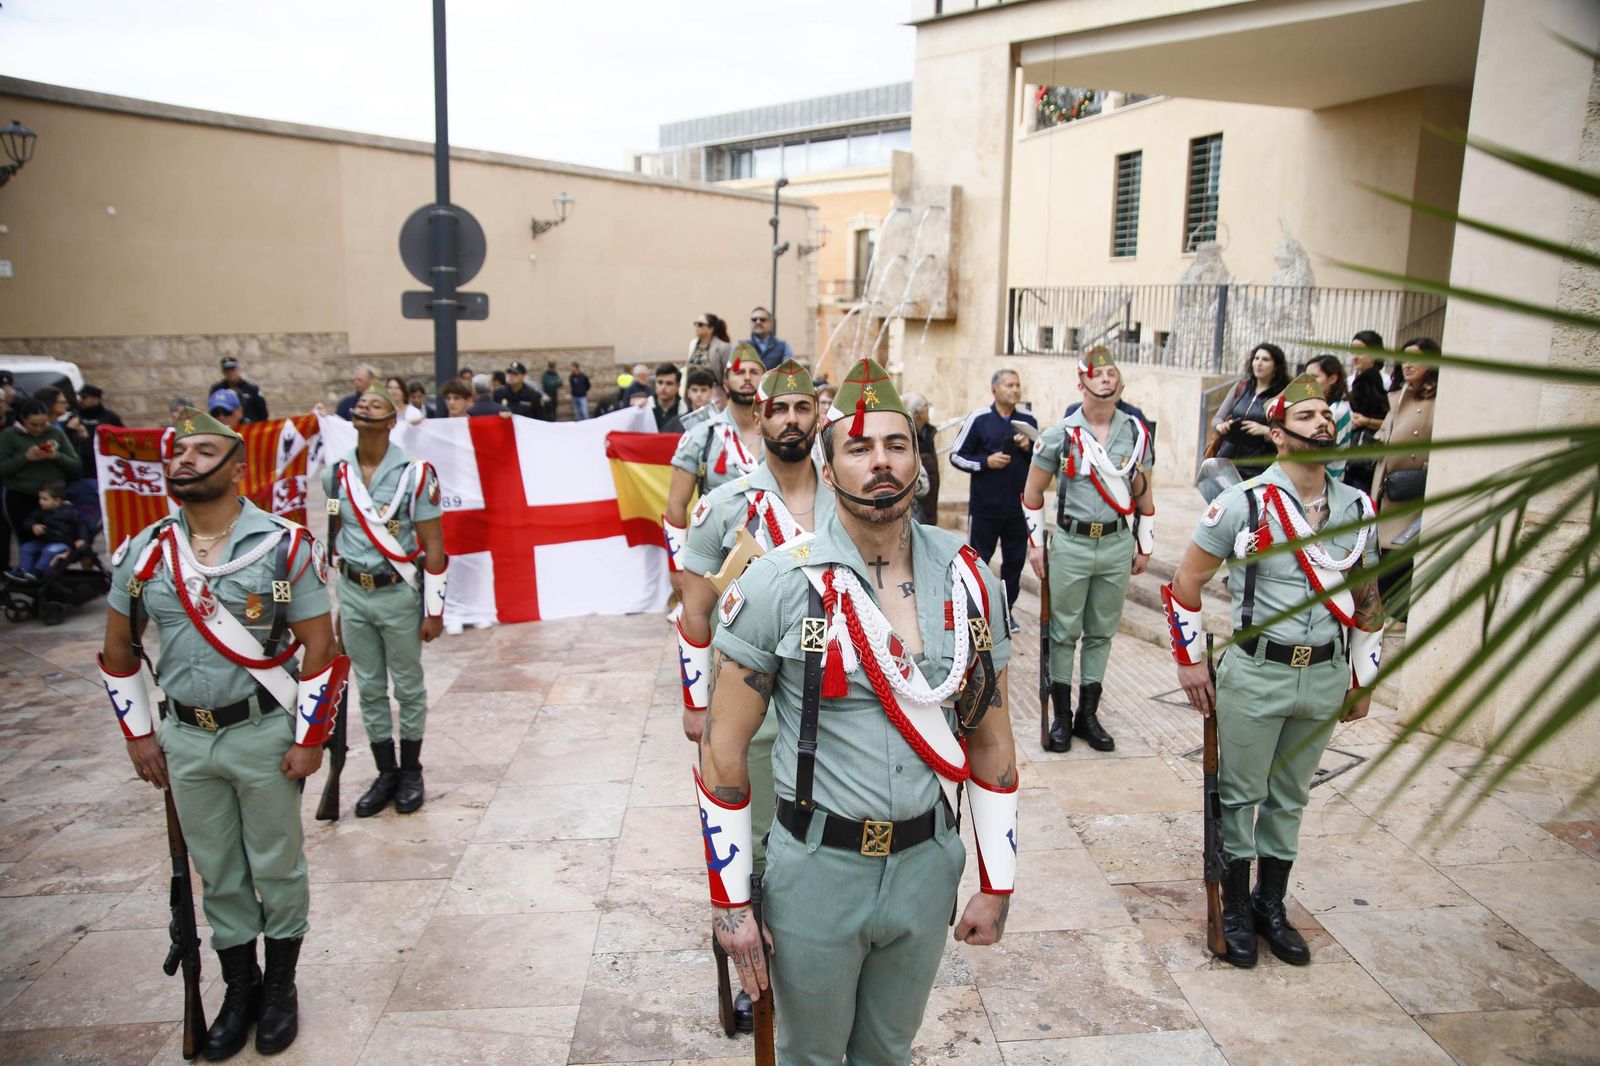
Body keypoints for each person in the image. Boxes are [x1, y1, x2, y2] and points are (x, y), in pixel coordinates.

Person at [699, 357, 1017, 1065]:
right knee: (813, 1056)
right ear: (829, 463)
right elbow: (723, 751)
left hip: (927, 865)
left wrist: (997, 881)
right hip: (817, 870)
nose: (881, 463)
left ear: (918, 461)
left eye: (897, 445)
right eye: (860, 447)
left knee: (888, 1052)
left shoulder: (969, 580)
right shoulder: (779, 583)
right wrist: (731, 901)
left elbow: (992, 742)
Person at [99, 406, 346, 1057]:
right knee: (218, 871)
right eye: (178, 452)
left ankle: (282, 988)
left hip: (263, 732)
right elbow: (119, 650)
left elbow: (318, 645)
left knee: (277, 865)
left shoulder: (284, 546)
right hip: (184, 740)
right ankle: (242, 988)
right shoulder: (145, 552)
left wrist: (310, 737)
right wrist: (138, 734)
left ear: (237, 467)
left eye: (203, 451)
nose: (184, 460)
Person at [1164, 374, 1383, 969]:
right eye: (1306, 416)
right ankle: (1234, 910)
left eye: (1325, 415)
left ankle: (1270, 905)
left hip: (1325, 674)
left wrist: (1364, 679)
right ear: (1279, 434)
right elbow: (1185, 583)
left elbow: (1366, 596)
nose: (1322, 424)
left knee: (1290, 798)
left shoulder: (1356, 506)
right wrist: (1188, 664)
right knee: (1239, 796)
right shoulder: (1244, 503)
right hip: (1257, 671)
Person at [676, 358, 834, 1033]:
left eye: (803, 408)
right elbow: (694, 609)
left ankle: (823, 955)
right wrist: (695, 701)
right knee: (759, 840)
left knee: (830, 838)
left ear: (819, 415)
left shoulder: (850, 499)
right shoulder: (725, 507)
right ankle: (751, 966)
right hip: (757, 704)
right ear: (759, 418)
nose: (791, 420)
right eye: (779, 409)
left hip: (838, 703)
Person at [323, 389, 448, 816]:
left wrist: (434, 610)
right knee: (370, 689)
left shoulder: (415, 474)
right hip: (355, 595)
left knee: (408, 687)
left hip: (398, 592)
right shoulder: (336, 475)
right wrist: (339, 603)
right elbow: (338, 539)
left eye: (377, 404)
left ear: (392, 421)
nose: (365, 406)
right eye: (360, 404)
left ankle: (411, 770)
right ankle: (385, 772)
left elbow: (433, 544)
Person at [1023, 348, 1154, 752]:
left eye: (1111, 373)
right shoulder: (1059, 434)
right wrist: (1037, 546)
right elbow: (1031, 495)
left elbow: (1143, 492)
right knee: (1064, 633)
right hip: (1072, 543)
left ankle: (1088, 715)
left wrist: (1144, 542)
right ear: (1081, 384)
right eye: (1097, 375)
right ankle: (1061, 716)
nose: (1106, 380)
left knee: (1101, 632)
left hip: (1116, 542)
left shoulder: (1135, 433)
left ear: (1120, 383)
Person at [662, 350, 765, 598]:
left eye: (754, 372)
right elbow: (675, 505)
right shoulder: (701, 436)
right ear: (726, 383)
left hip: (772, 554)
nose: (747, 378)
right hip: (715, 556)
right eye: (740, 372)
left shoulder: (780, 436)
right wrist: (677, 568)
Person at [950, 368, 1037, 625]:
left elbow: (1043, 458)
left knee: (1014, 562)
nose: (1014, 390)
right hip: (985, 506)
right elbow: (956, 455)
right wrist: (986, 462)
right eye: (1009, 385)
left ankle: (1005, 612)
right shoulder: (979, 419)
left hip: (1018, 507)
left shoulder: (1028, 420)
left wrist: (1028, 447)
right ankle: (974, 611)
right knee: (978, 560)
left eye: (1017, 385)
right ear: (994, 389)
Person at [1370, 339, 1439, 625]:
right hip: (1386, 490)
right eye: (1403, 359)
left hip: (1410, 492)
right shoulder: (1397, 397)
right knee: (1381, 558)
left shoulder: (1437, 400)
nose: (1407, 364)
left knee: (1395, 560)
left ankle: (1399, 620)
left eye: (1415, 359)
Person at [1, 397, 82, 572]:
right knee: (27, 540)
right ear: (22, 419)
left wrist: (56, 457)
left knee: (54, 540)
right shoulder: (9, 436)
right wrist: (25, 458)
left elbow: (75, 465)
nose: (38, 429)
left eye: (43, 424)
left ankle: (49, 580)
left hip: (52, 498)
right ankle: (29, 577)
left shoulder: (55, 433)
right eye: (33, 425)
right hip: (20, 496)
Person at [1211, 343, 1291, 475]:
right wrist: (1221, 426)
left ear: (1276, 366)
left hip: (1258, 469)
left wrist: (1265, 431)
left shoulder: (1283, 396)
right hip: (1225, 463)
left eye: (1265, 359)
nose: (1259, 363)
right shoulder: (1241, 387)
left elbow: (1289, 435)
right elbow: (1217, 419)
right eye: (1256, 358)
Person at [7, 481, 87, 580]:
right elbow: (29, 520)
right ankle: (24, 571)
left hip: (63, 542)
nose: (41, 501)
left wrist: (82, 539)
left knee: (49, 551)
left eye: (45, 499)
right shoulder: (41, 511)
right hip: (45, 540)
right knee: (26, 548)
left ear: (57, 500)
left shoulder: (71, 512)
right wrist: (33, 526)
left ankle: (38, 572)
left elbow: (81, 525)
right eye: (40, 498)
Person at [1344, 339, 1391, 497]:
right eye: (1353, 352)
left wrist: (1366, 421)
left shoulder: (1385, 383)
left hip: (1366, 455)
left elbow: (1391, 422)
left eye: (1360, 351)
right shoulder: (1352, 380)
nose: (1354, 357)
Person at [1305, 355, 1352, 481]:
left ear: (1332, 379)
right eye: (1306, 377)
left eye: (1314, 377)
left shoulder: (1336, 411)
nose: (1308, 382)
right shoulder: (1323, 407)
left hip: (1327, 483)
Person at [904, 391, 941, 525]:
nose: (928, 410)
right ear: (919, 413)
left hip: (929, 503)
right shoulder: (907, 435)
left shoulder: (927, 432)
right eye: (927, 406)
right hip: (916, 507)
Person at [212, 357, 270, 424]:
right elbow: (214, 412)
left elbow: (262, 413)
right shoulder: (217, 389)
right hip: (226, 428)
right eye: (227, 370)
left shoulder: (251, 388)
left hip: (248, 428)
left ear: (238, 369)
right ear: (223, 372)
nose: (230, 372)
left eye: (233, 369)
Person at [688, 313, 734, 383]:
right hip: (692, 390)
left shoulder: (723, 347)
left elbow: (727, 374)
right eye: (695, 324)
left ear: (711, 329)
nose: (697, 326)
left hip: (713, 391)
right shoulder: (693, 344)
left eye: (700, 324)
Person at [650, 362, 688, 432]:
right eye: (660, 382)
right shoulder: (645, 408)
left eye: (669, 383)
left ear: (677, 387)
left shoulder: (685, 411)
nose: (663, 387)